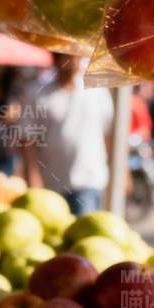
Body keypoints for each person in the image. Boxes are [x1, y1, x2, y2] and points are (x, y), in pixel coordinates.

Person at [21, 54, 113, 215]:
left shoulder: (97, 93)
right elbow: (28, 140)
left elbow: (109, 134)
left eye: (76, 57)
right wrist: (33, 177)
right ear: (56, 61)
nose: (73, 62)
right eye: (67, 57)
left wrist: (118, 171)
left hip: (88, 180)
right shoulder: (39, 95)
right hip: (51, 183)